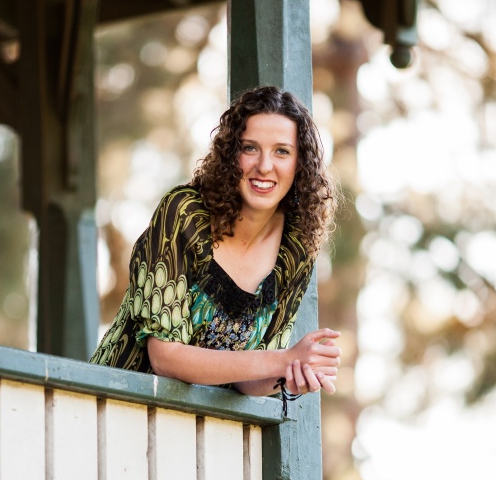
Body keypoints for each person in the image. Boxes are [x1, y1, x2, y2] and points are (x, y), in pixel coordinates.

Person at [90, 84, 340, 404]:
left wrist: (293, 373)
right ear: (230, 154)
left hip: (205, 437)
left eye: (282, 151)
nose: (264, 165)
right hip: (113, 409)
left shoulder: (296, 248)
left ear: (300, 163)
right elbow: (164, 357)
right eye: (250, 148)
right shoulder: (184, 214)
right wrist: (281, 359)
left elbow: (247, 382)